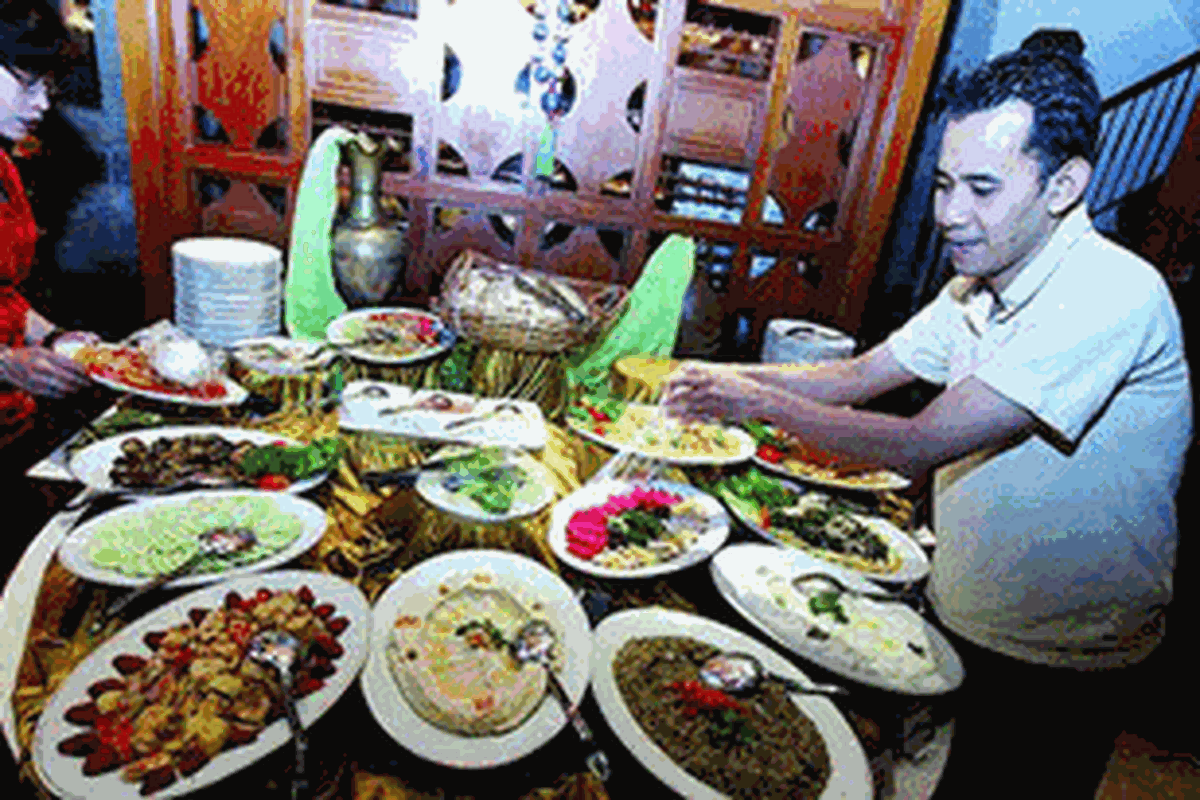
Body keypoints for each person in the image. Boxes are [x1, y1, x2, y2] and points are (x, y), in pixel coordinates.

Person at [662, 30, 1193, 797]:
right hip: (963, 609)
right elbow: (858, 376)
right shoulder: (975, 289)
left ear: (1064, 185)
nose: (949, 213)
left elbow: (920, 442)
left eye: (981, 188)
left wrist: (751, 401)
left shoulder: (1109, 293)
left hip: (1061, 655)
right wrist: (717, 373)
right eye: (943, 184)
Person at [0, 0, 101, 453]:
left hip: (14, 416)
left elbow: (4, 294)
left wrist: (54, 336)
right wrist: (5, 364)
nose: (41, 103)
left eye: (47, 85)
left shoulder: (5, 165)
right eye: (26, 82)